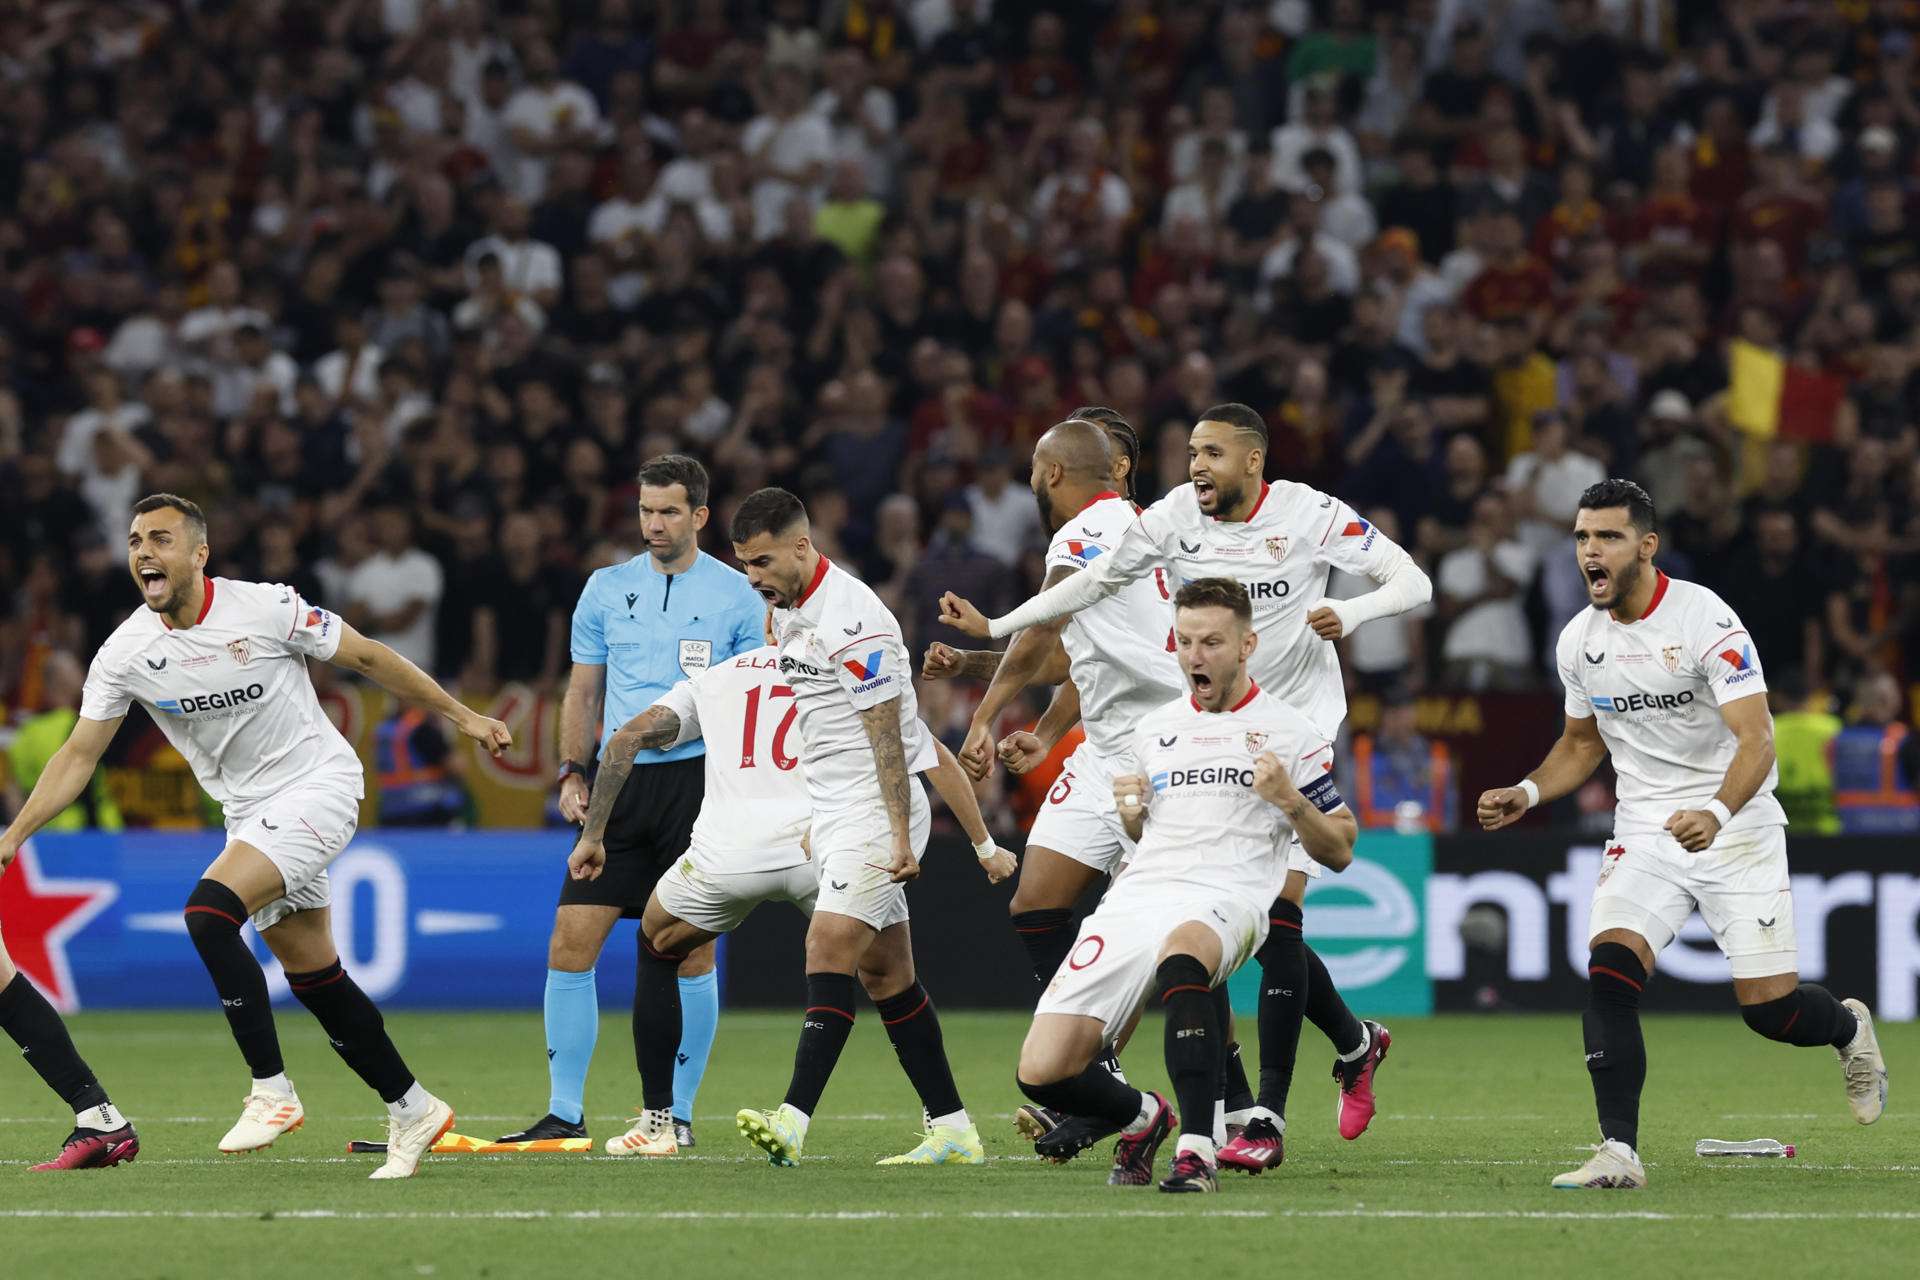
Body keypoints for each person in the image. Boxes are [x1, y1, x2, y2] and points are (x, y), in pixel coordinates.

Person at [942, 403, 1428, 1168]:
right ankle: (1344, 1047)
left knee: (1274, 917)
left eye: (1210, 452)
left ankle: (1261, 1115)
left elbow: (1411, 577)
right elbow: (1090, 612)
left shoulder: (1307, 512)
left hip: (1290, 722)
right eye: (1190, 451)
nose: (1195, 464)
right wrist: (999, 627)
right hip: (1185, 731)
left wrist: (1352, 609)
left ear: (1253, 461)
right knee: (1193, 927)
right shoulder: (1168, 518)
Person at [0, 493, 514, 1180]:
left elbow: (366, 657)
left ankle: (271, 1089)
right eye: (134, 542)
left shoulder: (267, 607)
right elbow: (78, 755)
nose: (144, 553)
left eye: (160, 539)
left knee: (208, 913)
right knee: (315, 976)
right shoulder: (126, 651)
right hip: (248, 813)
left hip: (319, 786)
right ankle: (413, 1106)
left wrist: (463, 715)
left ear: (199, 553)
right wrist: (15, 835)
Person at [1477, 479, 1887, 1191]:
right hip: (1645, 829)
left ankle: (1848, 1030)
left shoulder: (1706, 620)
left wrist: (1718, 814)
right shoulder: (1579, 640)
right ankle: (1619, 1152)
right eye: (1580, 537)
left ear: (1646, 545)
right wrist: (1530, 790)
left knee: (1771, 1012)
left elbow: (1758, 741)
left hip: (1739, 825)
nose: (1589, 552)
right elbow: (1581, 743)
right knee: (1609, 970)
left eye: (1605, 536)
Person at [567, 642, 1013, 1156]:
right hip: (821, 845)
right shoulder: (847, 671)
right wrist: (984, 845)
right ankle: (943, 1124)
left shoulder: (717, 677)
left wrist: (593, 834)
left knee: (656, 941)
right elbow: (931, 758)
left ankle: (658, 1122)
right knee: (889, 978)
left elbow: (626, 739)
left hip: (728, 855)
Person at [1014, 578, 1356, 1193]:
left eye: (1212, 643)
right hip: (1142, 892)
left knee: (1183, 953)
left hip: (1232, 895)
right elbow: (1149, 837)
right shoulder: (1153, 730)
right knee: (1042, 1071)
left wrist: (1290, 802)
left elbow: (1342, 847)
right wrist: (1131, 816)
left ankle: (1197, 1148)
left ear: (1248, 644)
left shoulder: (1291, 732)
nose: (1196, 656)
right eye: (1186, 641)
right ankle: (1144, 1115)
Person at [728, 488, 1012, 1167]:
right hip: (834, 811)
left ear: (802, 546)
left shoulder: (855, 621)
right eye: (744, 564)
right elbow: (876, 735)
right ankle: (952, 1129)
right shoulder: (786, 614)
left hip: (872, 814)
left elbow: (892, 738)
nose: (753, 578)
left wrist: (899, 834)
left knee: (827, 947)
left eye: (762, 561)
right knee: (888, 977)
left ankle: (792, 1121)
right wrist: (813, 812)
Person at [500, 455, 766, 1150]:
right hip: (620, 790)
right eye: (647, 510)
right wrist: (571, 770)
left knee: (692, 955)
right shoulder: (605, 588)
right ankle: (564, 1113)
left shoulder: (740, 597)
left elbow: (746, 705)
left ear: (700, 516)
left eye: (670, 511)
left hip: (700, 787)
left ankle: (674, 1116)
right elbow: (582, 690)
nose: (654, 523)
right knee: (569, 943)